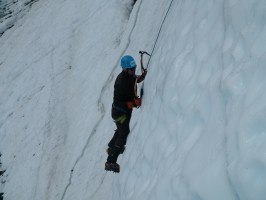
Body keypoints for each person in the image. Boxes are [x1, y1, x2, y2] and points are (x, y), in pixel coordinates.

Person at [105, 54, 147, 173]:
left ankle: (111, 146)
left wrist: (141, 77)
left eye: (134, 69)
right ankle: (111, 161)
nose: (134, 71)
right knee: (124, 133)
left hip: (124, 112)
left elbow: (134, 80)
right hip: (120, 113)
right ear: (125, 69)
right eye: (132, 69)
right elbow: (117, 103)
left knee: (120, 130)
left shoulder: (129, 76)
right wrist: (132, 103)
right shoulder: (120, 83)